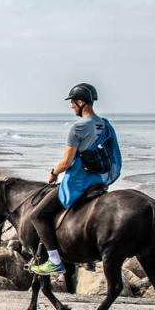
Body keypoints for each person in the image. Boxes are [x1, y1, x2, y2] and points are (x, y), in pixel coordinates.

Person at [26, 83, 122, 275]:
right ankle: (90, 260)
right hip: (100, 181)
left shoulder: (78, 128)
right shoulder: (106, 125)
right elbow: (115, 156)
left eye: (72, 102)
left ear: (80, 102)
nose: (71, 107)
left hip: (80, 181)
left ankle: (54, 261)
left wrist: (53, 173)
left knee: (37, 215)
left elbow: (67, 162)